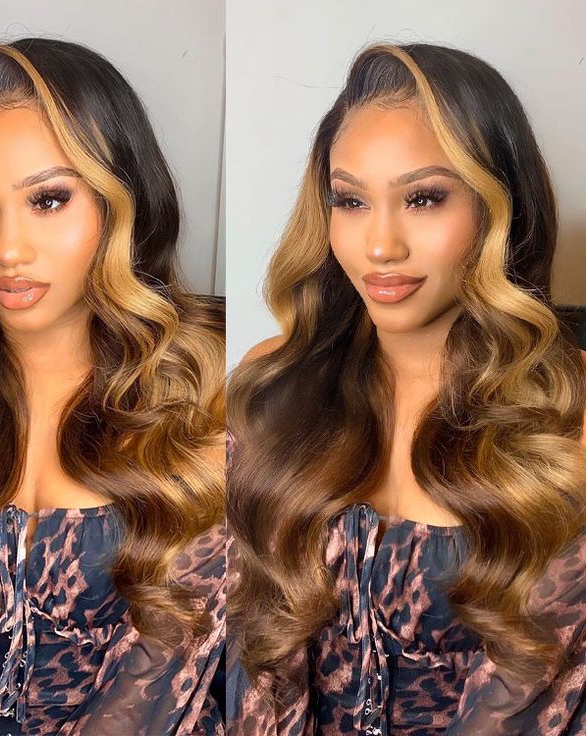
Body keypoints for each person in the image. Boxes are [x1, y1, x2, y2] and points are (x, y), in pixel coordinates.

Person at [0, 37, 226, 736]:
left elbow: (198, 666)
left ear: (119, 198)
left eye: (48, 199)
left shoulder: (209, 385)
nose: (7, 249)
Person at [226, 42, 586, 735]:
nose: (380, 245)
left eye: (423, 198)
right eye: (351, 200)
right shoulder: (274, 386)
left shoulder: (568, 416)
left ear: (499, 205)